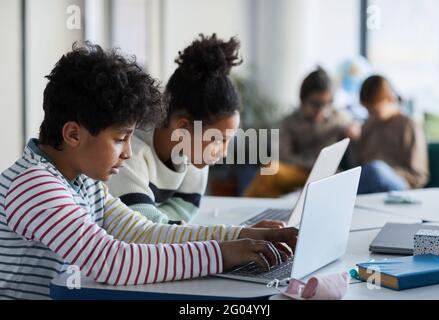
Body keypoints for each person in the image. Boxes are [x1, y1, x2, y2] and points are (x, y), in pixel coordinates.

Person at [0, 42, 297, 299]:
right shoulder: (34, 185)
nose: (128, 152)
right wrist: (222, 254)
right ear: (73, 135)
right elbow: (111, 262)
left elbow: (143, 232)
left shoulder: (82, 183)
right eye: (119, 139)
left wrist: (242, 237)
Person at [108, 34, 282, 228]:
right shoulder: (128, 154)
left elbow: (181, 213)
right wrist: (235, 235)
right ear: (182, 127)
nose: (223, 152)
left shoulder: (191, 153)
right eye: (217, 140)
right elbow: (143, 231)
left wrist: (163, 224)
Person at [244, 67, 360, 197]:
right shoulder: (289, 122)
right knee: (270, 170)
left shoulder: (339, 118)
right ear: (303, 100)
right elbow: (284, 157)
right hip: (302, 172)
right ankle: (258, 210)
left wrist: (354, 132)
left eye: (326, 104)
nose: (321, 110)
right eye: (315, 104)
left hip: (331, 175)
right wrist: (314, 164)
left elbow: (357, 140)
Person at [356, 75, 429, 194]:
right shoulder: (369, 125)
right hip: (371, 182)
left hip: (402, 184)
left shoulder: (409, 125)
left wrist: (388, 172)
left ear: (391, 99)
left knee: (376, 169)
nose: (371, 115)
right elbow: (361, 162)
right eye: (368, 111)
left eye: (375, 111)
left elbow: (418, 175)